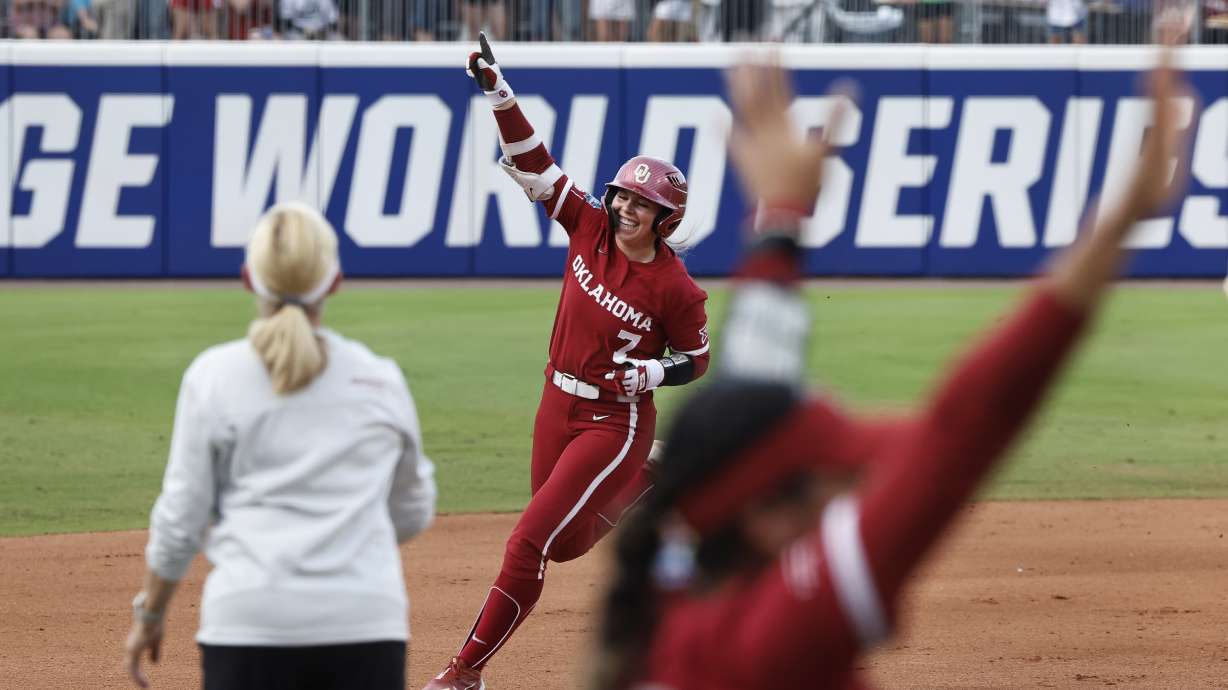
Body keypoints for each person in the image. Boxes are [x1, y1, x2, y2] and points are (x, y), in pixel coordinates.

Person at [590, 30, 1192, 690]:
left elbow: (752, 377)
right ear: (766, 517)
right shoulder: (779, 635)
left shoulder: (675, 587)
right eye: (826, 471)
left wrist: (783, 221)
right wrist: (1121, 220)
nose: (848, 478)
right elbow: (966, 426)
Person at [422, 34, 711, 690]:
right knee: (564, 543)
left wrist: (655, 374)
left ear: (665, 219)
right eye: (623, 196)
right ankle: (649, 479)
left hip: (614, 422)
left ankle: (465, 672)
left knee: (527, 545)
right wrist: (499, 93)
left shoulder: (676, 288)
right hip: (556, 401)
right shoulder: (588, 226)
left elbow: (697, 358)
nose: (626, 208)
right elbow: (534, 160)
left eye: (643, 204)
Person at [122, 202, 437, 690]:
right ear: (334, 281)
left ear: (249, 277)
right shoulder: (380, 380)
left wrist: (150, 613)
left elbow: (181, 518)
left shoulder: (213, 377)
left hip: (247, 620)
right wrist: (346, 538)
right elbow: (413, 508)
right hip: (366, 621)